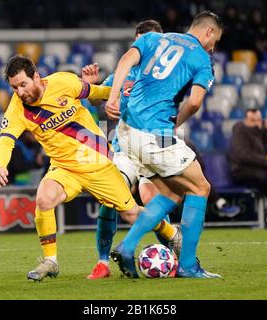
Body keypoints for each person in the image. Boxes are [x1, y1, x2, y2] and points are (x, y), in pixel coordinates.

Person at [0, 55, 178, 282]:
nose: (20, 92)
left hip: (97, 162)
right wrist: (0, 166)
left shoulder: (64, 82)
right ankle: (50, 260)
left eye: (23, 84)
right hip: (64, 168)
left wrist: (116, 92)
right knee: (44, 198)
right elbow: (6, 139)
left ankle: (171, 232)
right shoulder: (17, 109)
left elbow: (95, 93)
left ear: (36, 77)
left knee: (131, 214)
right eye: (14, 87)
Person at [105, 11, 223, 279]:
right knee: (201, 187)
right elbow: (194, 102)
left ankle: (127, 246)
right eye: (215, 39)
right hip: (155, 134)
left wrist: (113, 99)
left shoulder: (153, 39)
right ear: (208, 32)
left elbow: (125, 61)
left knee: (171, 193)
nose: (214, 47)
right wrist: (176, 123)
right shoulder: (202, 59)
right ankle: (189, 266)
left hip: (125, 132)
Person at [81, 20, 182, 280]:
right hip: (125, 148)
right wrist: (91, 87)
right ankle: (102, 262)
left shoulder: (172, 76)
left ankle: (172, 257)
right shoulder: (124, 73)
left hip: (156, 145)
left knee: (153, 199)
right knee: (111, 196)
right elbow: (97, 98)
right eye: (140, 41)